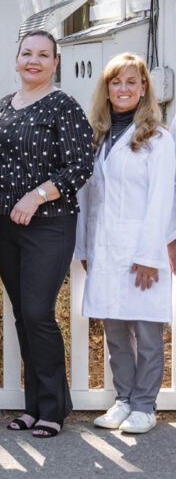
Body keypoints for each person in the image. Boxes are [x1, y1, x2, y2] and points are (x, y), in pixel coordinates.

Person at [0, 30, 95, 438]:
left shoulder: (63, 105)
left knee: (37, 313)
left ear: (54, 63)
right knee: (21, 316)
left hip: (49, 222)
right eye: (27, 53)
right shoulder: (2, 106)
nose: (34, 60)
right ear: (16, 60)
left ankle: (53, 408)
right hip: (4, 222)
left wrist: (37, 196)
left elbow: (81, 164)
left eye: (43, 55)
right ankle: (33, 407)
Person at [76, 54, 175, 435]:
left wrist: (150, 255)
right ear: (106, 88)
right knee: (115, 329)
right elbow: (89, 197)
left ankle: (145, 406)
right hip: (105, 248)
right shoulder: (97, 136)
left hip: (141, 250)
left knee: (147, 331)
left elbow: (162, 200)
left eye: (131, 82)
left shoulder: (158, 139)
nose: (123, 89)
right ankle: (124, 399)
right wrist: (86, 249)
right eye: (116, 82)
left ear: (144, 88)